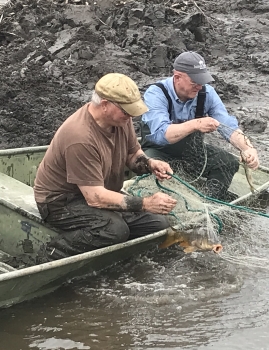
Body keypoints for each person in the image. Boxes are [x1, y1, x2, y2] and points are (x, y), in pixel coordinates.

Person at [34, 73, 178, 260]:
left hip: (98, 191)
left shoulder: (120, 120)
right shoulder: (80, 137)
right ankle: (51, 254)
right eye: (126, 111)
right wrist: (146, 203)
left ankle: (115, 257)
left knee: (157, 224)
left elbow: (132, 154)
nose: (131, 116)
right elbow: (95, 198)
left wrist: (150, 164)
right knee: (115, 230)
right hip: (61, 202)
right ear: (104, 105)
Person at [140, 51, 260, 200]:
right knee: (151, 167)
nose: (199, 86)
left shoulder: (207, 93)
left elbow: (227, 125)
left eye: (202, 81)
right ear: (177, 77)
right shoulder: (156, 94)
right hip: (158, 151)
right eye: (194, 82)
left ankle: (206, 201)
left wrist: (247, 148)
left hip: (192, 153)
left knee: (228, 163)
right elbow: (161, 134)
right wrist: (196, 124)